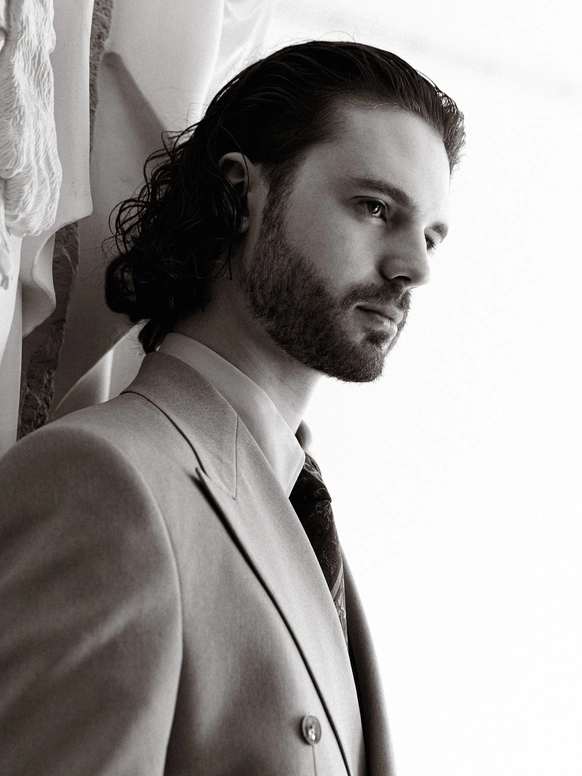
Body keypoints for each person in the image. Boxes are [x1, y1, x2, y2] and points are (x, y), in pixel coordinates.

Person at [0, 40, 465, 775]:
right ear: (240, 192)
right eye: (375, 208)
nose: (416, 267)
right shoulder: (102, 483)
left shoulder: (299, 516)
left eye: (432, 236)